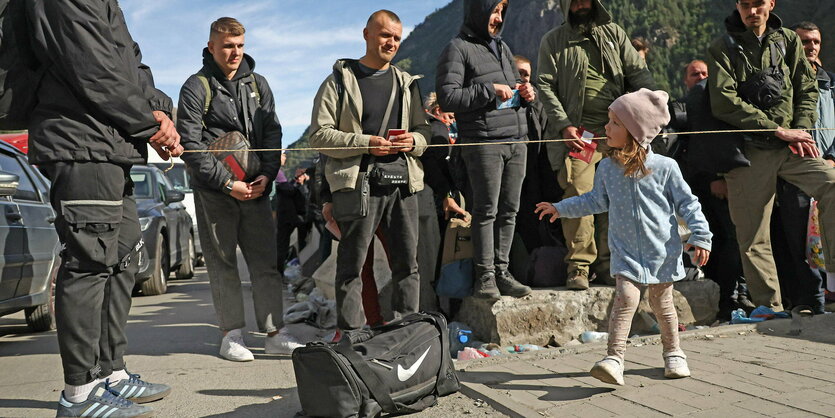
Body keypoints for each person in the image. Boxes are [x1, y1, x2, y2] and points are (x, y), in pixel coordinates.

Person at [26, 1, 180, 415]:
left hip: (111, 143)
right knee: (91, 259)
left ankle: (110, 373)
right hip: (80, 140)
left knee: (125, 252)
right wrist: (150, 124)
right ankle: (79, 393)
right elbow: (92, 65)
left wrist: (161, 109)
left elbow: (132, 63)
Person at [535, 89, 712, 385]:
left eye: (614, 123)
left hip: (661, 251)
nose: (606, 128)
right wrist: (560, 208)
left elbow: (688, 204)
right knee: (625, 298)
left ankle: (674, 353)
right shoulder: (606, 167)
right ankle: (614, 358)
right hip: (625, 251)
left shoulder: (666, 168)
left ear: (635, 132)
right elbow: (594, 201)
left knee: (662, 303)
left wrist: (701, 236)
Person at [177, 17, 299, 361]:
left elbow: (273, 133)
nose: (235, 52)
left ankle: (275, 333)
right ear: (212, 46)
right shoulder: (195, 87)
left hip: (257, 190)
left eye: (240, 45)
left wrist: (269, 173)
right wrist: (227, 183)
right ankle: (231, 336)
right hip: (216, 193)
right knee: (223, 264)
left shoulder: (259, 84)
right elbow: (191, 144)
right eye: (228, 45)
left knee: (265, 263)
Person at [707, 0, 835, 312]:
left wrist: (801, 129)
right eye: (747, 5)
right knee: (752, 235)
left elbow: (807, 88)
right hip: (748, 151)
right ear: (738, 6)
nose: (754, 11)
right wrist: (776, 129)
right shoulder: (722, 47)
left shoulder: (788, 40)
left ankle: (833, 281)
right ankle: (770, 308)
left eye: (759, 4)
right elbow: (724, 101)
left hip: (792, 147)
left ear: (771, 4)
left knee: (832, 183)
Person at [309, 10, 430, 331]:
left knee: (408, 266)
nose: (391, 42)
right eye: (385, 35)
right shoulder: (338, 81)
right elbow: (319, 135)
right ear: (366, 34)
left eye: (396, 38)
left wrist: (413, 140)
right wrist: (366, 143)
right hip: (358, 187)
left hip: (403, 186)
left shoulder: (407, 84)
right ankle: (352, 338)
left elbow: (425, 132)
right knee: (352, 268)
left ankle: (407, 334)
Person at [537, 0, 655, 290]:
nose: (580, 4)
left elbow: (638, 73)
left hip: (618, 132)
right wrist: (564, 124)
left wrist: (650, 105)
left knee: (619, 195)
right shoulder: (553, 41)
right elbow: (544, 84)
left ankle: (610, 265)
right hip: (579, 134)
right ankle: (578, 265)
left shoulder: (614, 34)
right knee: (578, 189)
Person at [436, 0, 534, 300]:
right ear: (479, 10)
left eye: (502, 12)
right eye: (494, 10)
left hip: (516, 141)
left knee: (510, 211)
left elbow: (512, 89)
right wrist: (488, 90)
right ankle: (485, 277)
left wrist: (527, 94)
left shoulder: (503, 48)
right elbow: (448, 97)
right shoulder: (457, 48)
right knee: (486, 212)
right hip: (484, 143)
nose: (498, 17)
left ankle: (502, 273)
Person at [675, 59, 753, 320]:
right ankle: (726, 298)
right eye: (694, 73)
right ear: (686, 80)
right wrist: (711, 178)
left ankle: (735, 295)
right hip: (697, 187)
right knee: (712, 241)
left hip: (721, 182)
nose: (701, 77)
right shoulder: (684, 108)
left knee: (732, 239)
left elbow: (723, 142)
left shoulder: (719, 103)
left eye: (705, 73)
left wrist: (720, 178)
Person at [769, 21, 835, 313]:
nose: (811, 47)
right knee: (800, 242)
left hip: (828, 167)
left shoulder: (831, 84)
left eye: (815, 42)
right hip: (795, 172)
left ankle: (830, 293)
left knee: (828, 234)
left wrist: (833, 158)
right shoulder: (782, 83)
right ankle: (813, 301)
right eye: (805, 42)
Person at [514, 55, 563, 256]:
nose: (524, 79)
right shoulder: (499, 98)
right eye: (519, 74)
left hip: (535, 174)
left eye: (527, 75)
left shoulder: (539, 101)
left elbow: (545, 136)